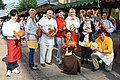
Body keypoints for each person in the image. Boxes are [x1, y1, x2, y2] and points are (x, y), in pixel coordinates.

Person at [2, 9, 22, 77]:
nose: (15, 18)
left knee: (16, 54)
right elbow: (4, 32)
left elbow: (19, 32)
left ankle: (14, 67)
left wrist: (21, 34)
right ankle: (9, 69)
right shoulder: (7, 23)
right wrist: (12, 34)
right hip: (11, 40)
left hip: (17, 40)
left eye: (16, 16)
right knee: (11, 55)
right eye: (14, 16)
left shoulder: (18, 24)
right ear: (11, 16)